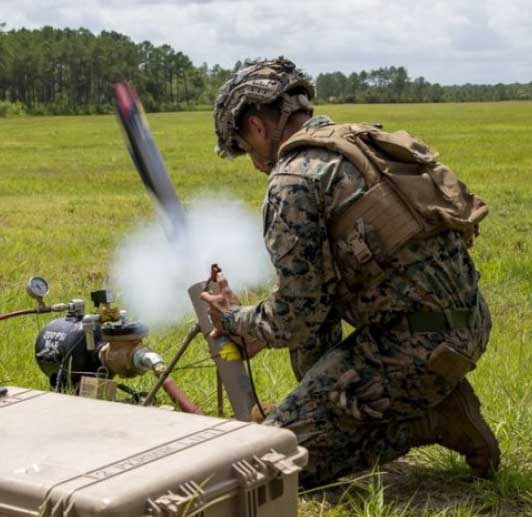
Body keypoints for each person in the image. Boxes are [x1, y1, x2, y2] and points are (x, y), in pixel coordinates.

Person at [201, 57, 499, 488]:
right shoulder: (358, 145)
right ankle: (352, 412)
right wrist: (262, 326)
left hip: (416, 347)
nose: (254, 163)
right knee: (309, 382)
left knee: (272, 464)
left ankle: (431, 418)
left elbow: (297, 315)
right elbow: (314, 301)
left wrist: (235, 320)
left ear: (257, 127)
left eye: (246, 148)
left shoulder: (293, 179)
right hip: (464, 326)